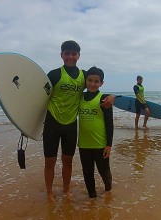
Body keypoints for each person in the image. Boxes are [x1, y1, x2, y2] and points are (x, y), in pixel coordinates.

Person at [43, 40, 114, 201]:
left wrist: (111, 97)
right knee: (50, 162)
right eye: (66, 53)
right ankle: (49, 192)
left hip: (70, 125)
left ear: (78, 56)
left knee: (68, 161)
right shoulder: (53, 75)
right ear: (61, 55)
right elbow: (40, 97)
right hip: (52, 123)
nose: (70, 56)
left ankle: (66, 191)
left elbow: (94, 89)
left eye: (73, 53)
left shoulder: (83, 76)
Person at [78, 66, 113, 198]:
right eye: (90, 80)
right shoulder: (79, 97)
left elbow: (110, 123)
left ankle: (108, 189)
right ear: (85, 81)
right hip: (84, 144)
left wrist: (109, 144)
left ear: (101, 83)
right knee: (87, 172)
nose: (93, 84)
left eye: (96, 81)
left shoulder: (104, 98)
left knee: (104, 170)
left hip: (100, 143)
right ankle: (92, 196)